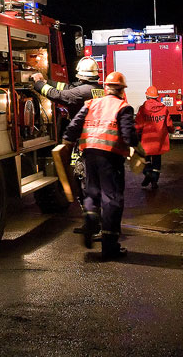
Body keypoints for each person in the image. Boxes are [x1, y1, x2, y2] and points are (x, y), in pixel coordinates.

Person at [62, 71, 138, 260]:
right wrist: (138, 148)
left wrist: (67, 140)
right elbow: (128, 135)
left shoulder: (91, 103)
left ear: (106, 88)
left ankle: (90, 217)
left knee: (92, 191)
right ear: (121, 90)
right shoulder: (123, 107)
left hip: (89, 153)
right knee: (112, 199)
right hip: (111, 157)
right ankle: (109, 248)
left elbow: (74, 125)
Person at [31, 57, 103, 211]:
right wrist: (47, 81)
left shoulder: (82, 92)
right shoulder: (98, 90)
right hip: (97, 140)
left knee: (82, 176)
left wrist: (39, 84)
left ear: (81, 75)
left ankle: (90, 212)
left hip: (86, 141)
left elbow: (59, 95)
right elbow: (67, 87)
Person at [134, 85, 175, 189]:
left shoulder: (143, 108)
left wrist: (135, 134)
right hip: (159, 141)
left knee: (146, 159)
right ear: (157, 96)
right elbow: (169, 124)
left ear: (147, 96)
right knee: (157, 161)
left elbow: (138, 125)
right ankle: (154, 181)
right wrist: (172, 130)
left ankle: (148, 173)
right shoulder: (164, 108)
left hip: (146, 140)